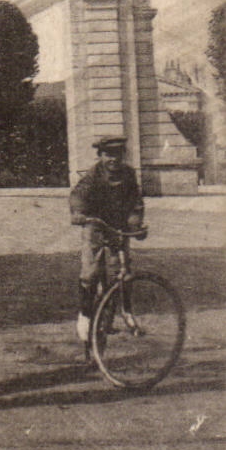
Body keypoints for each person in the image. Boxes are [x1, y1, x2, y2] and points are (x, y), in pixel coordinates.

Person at [69, 135, 146, 346]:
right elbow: (79, 195)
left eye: (117, 154)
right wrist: (78, 212)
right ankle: (85, 315)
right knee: (90, 272)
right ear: (101, 156)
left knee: (119, 271)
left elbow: (135, 203)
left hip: (117, 229)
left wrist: (135, 224)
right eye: (108, 155)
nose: (113, 159)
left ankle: (123, 312)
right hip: (95, 226)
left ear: (123, 155)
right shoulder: (95, 174)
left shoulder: (129, 174)